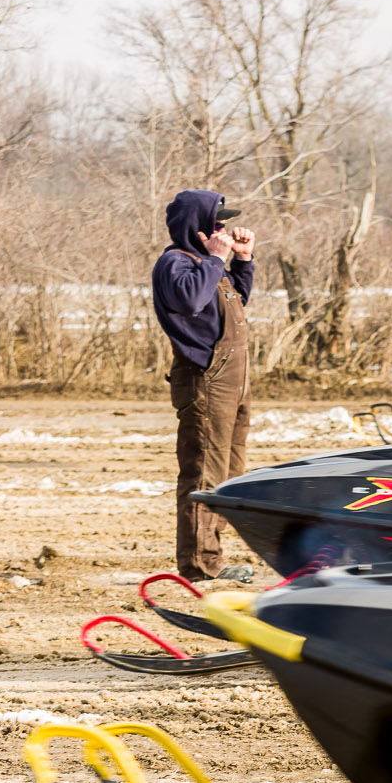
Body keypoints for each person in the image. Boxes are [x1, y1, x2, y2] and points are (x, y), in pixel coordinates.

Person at [151, 190, 256, 583]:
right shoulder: (175, 263)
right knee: (203, 473)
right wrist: (215, 259)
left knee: (230, 471)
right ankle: (199, 564)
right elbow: (192, 301)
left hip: (234, 380)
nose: (223, 229)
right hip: (206, 378)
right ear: (195, 226)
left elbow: (235, 301)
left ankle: (213, 554)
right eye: (216, 223)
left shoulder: (208, 263)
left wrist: (242, 260)